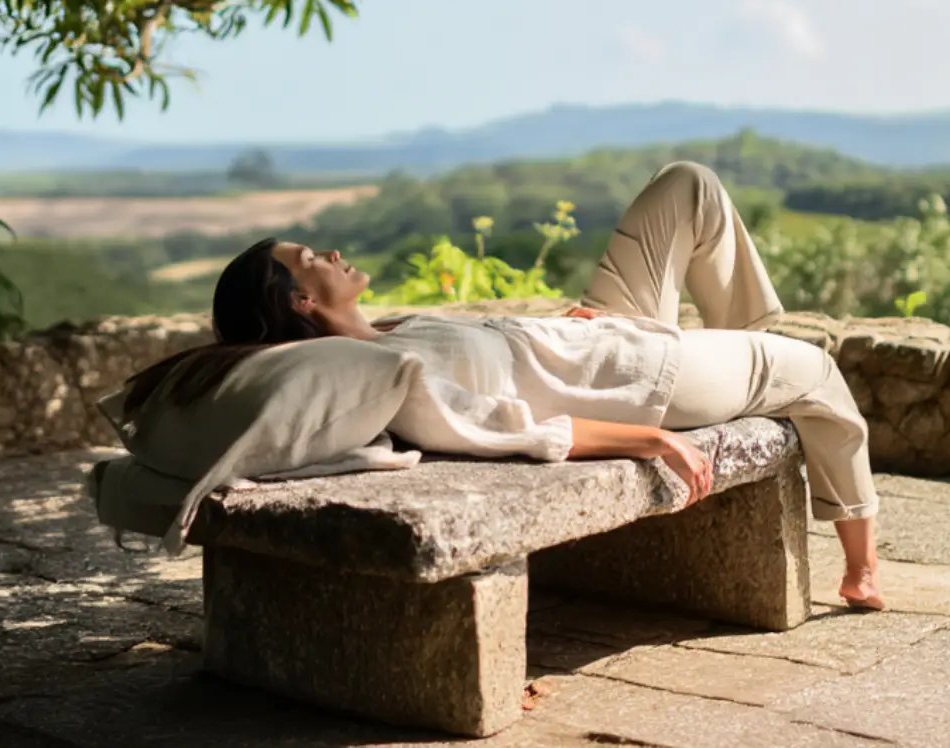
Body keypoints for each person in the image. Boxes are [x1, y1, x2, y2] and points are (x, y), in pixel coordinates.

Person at [211, 161, 885, 611]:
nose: (328, 253)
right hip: (640, 380)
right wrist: (650, 439)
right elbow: (517, 430)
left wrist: (555, 331)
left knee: (689, 185)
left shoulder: (383, 336)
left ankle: (745, 349)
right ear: (301, 302)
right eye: (310, 259)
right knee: (818, 369)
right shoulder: (388, 375)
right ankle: (861, 565)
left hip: (601, 338)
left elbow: (502, 355)